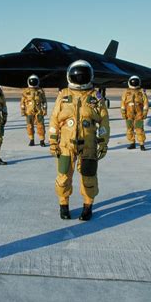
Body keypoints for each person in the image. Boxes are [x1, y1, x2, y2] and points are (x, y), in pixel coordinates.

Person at [49, 60, 109, 221]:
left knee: (89, 177)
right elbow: (54, 119)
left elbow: (104, 121)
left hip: (89, 144)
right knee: (63, 177)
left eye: (83, 75)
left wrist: (103, 142)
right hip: (66, 144)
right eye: (77, 75)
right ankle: (63, 205)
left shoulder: (95, 97)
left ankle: (88, 206)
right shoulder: (64, 95)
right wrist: (53, 141)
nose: (80, 78)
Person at [121, 75, 148, 150]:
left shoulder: (142, 92)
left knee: (139, 128)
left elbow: (146, 103)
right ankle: (132, 143)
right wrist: (123, 113)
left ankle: (142, 144)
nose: (134, 83)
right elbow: (123, 103)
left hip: (139, 114)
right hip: (129, 114)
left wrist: (145, 113)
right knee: (129, 128)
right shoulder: (126, 92)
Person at [20, 74, 47, 146]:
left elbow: (44, 101)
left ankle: (42, 140)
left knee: (41, 126)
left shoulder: (40, 91)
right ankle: (31, 140)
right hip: (29, 112)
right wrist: (22, 111)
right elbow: (22, 102)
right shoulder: (26, 91)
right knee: (29, 126)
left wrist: (44, 110)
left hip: (38, 112)